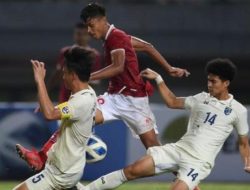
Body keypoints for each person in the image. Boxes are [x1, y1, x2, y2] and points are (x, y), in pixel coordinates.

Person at [16, 2, 189, 172]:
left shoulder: (116, 37)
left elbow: (118, 66)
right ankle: (41, 157)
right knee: (76, 119)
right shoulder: (115, 38)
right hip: (114, 98)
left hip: (135, 102)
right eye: (87, 27)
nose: (89, 32)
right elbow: (147, 46)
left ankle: (183, 175)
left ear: (102, 20)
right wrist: (169, 68)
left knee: (154, 149)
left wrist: (86, 77)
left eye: (91, 26)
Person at [80, 58, 250, 190]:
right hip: (177, 150)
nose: (209, 84)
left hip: (198, 161)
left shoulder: (238, 110)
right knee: (132, 170)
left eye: (214, 81)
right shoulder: (201, 98)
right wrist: (159, 78)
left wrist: (247, 162)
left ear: (226, 83)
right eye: (208, 80)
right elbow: (172, 101)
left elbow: (243, 142)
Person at [13, 47, 97, 190]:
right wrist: (50, 105)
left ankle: (40, 159)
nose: (63, 77)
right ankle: (40, 158)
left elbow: (49, 114)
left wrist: (40, 80)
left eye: (65, 73)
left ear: (73, 75)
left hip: (61, 173)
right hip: (69, 168)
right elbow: (64, 111)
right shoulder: (87, 92)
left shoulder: (81, 101)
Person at [48, 22, 101, 103]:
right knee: (64, 115)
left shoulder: (94, 55)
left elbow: (97, 80)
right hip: (65, 96)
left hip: (84, 98)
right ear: (74, 35)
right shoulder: (65, 52)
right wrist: (46, 90)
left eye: (84, 34)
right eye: (78, 34)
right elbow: (58, 73)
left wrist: (77, 81)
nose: (81, 37)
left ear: (89, 36)